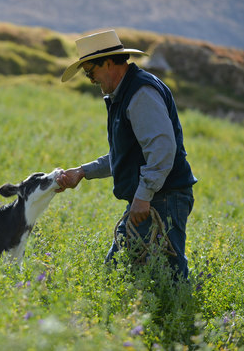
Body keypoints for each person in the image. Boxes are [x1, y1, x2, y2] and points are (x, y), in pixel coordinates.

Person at [56, 29, 197, 279]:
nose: (91, 80)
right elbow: (126, 155)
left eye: (91, 72)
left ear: (109, 63)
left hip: (163, 198)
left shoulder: (141, 94)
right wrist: (83, 172)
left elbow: (162, 150)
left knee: (162, 278)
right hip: (155, 196)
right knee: (123, 272)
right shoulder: (127, 92)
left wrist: (143, 196)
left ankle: (180, 313)